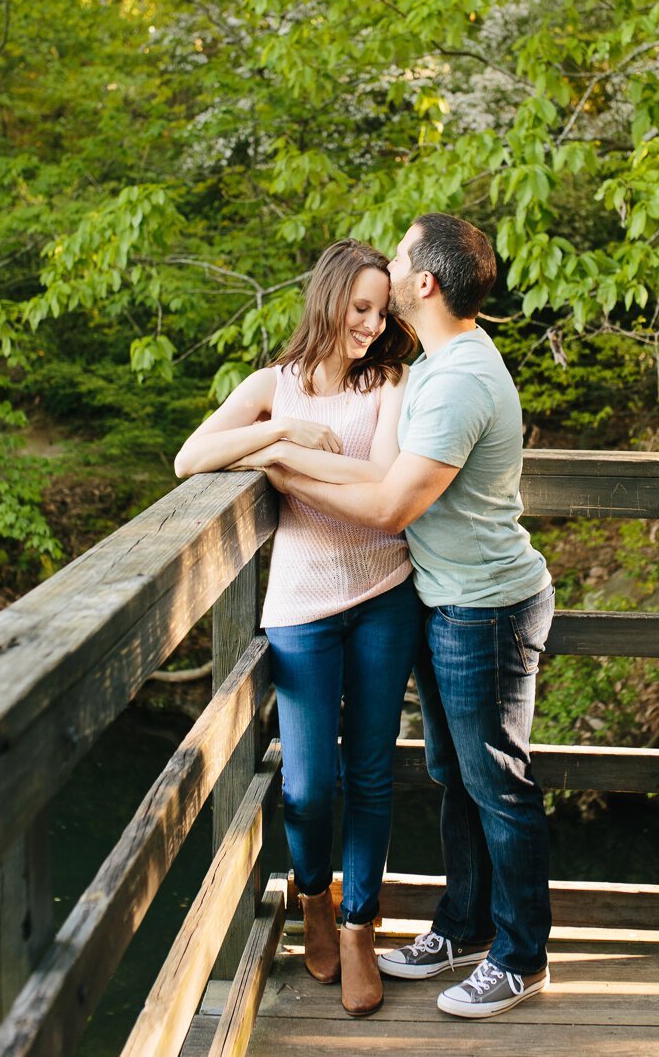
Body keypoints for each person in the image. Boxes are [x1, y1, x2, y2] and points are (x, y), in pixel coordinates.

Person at [259, 213, 554, 1020]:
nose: (387, 264)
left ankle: (521, 957)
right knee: (455, 776)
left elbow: (389, 505)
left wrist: (281, 465)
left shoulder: (456, 379)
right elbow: (379, 470)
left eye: (399, 256)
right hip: (444, 597)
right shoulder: (432, 363)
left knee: (497, 783)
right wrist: (282, 442)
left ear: (422, 282)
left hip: (485, 605)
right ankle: (460, 926)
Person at [173, 239, 423, 1017]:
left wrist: (287, 468)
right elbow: (190, 458)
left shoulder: (392, 382)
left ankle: (358, 925)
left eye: (382, 313)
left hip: (386, 591)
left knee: (372, 775)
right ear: (328, 300)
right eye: (360, 309)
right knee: (310, 787)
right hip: (302, 607)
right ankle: (313, 893)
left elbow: (385, 478)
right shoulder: (271, 386)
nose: (372, 325)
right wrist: (276, 439)